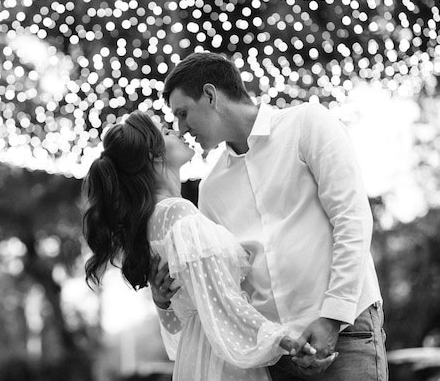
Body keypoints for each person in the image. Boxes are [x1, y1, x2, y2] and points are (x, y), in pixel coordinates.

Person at [153, 52, 387, 380]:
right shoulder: (211, 189)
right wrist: (165, 297)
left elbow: (352, 218)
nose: (180, 128)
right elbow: (222, 287)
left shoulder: (308, 123)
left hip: (347, 331)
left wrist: (332, 317)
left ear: (210, 95)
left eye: (182, 113)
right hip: (277, 354)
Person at [82, 111, 334, 381]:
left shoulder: (154, 222)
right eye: (166, 132)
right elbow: (224, 301)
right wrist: (284, 339)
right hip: (222, 360)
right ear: (154, 156)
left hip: (200, 352)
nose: (178, 131)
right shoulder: (178, 214)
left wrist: (162, 302)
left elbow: (179, 318)